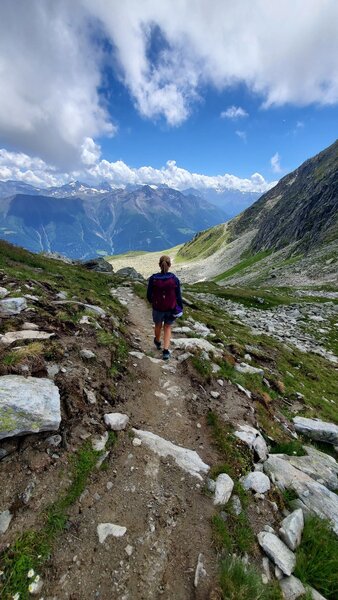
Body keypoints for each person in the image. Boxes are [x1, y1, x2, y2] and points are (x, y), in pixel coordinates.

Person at [147, 255, 183, 360]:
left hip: (158, 308)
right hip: (171, 308)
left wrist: (153, 303)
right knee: (167, 327)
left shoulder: (153, 278)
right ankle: (166, 351)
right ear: (169, 265)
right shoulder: (174, 279)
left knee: (158, 325)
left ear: (159, 265)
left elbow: (149, 295)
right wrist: (179, 307)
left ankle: (157, 341)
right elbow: (178, 295)